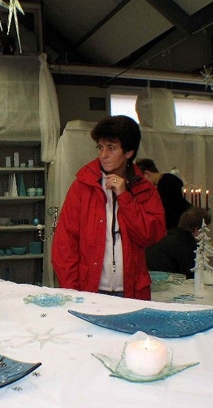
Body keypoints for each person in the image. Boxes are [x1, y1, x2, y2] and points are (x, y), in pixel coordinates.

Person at [51, 115, 166, 300]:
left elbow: (150, 236)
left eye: (111, 148)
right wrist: (71, 291)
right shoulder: (82, 186)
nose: (103, 155)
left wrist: (125, 197)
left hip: (132, 292)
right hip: (89, 290)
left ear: (129, 152)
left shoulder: (144, 189)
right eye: (100, 147)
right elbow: (64, 243)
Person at [146, 206, 211, 279]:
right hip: (167, 281)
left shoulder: (168, 234)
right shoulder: (187, 243)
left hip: (149, 277)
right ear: (197, 229)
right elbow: (193, 274)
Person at [135, 158, 192, 229]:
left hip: (175, 226)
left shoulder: (164, 184)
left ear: (147, 174)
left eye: (142, 179)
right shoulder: (167, 179)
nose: (142, 183)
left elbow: (168, 211)